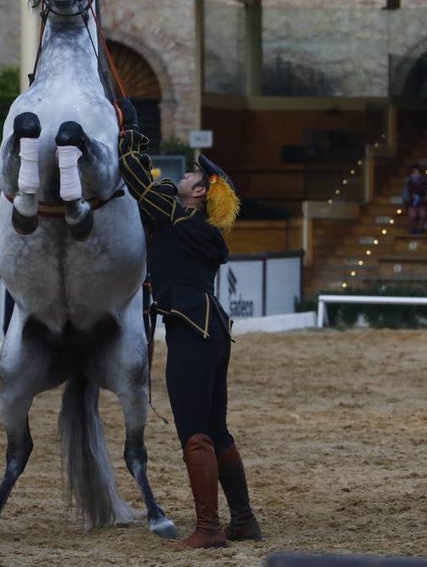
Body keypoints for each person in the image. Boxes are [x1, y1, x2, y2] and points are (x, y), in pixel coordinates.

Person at [117, 100, 263, 550]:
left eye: (190, 178)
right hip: (210, 330)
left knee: (194, 431)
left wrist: (132, 134)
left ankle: (209, 528)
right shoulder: (199, 230)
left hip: (191, 330)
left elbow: (138, 178)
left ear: (199, 194)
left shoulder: (179, 217)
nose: (180, 178)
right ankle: (242, 521)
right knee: (216, 429)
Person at [401, 164, 427, 234]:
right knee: (412, 216)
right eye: (414, 172)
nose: (416, 174)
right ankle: (412, 230)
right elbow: (405, 194)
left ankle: (421, 230)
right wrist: (408, 199)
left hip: (422, 202)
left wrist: (426, 198)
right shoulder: (408, 182)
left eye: (417, 172)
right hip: (412, 203)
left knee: (422, 215)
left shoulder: (424, 181)